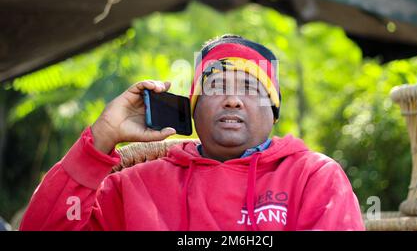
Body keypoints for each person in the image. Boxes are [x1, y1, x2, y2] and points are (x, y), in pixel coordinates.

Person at [20, 35, 365, 231]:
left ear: (273, 112)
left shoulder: (313, 176)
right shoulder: (134, 186)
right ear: (193, 107)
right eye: (215, 87)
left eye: (249, 87)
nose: (232, 99)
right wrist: (100, 139)